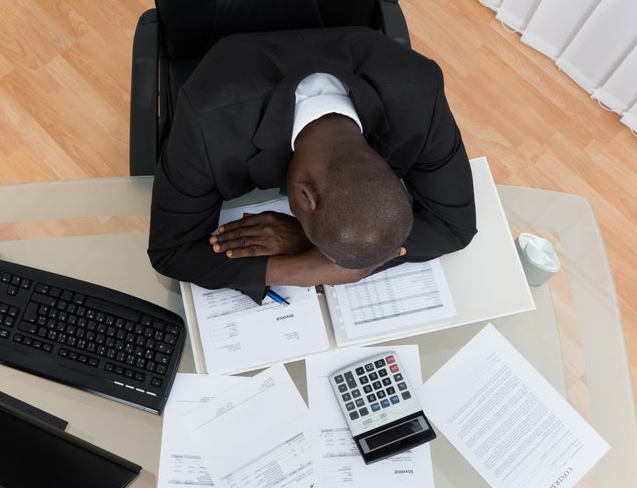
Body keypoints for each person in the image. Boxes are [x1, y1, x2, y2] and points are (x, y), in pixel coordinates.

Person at [148, 26, 476, 303]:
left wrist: (308, 245)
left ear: (387, 168)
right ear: (306, 197)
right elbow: (171, 251)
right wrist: (305, 272)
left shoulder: (422, 93)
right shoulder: (208, 122)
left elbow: (454, 227)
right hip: (231, 68)